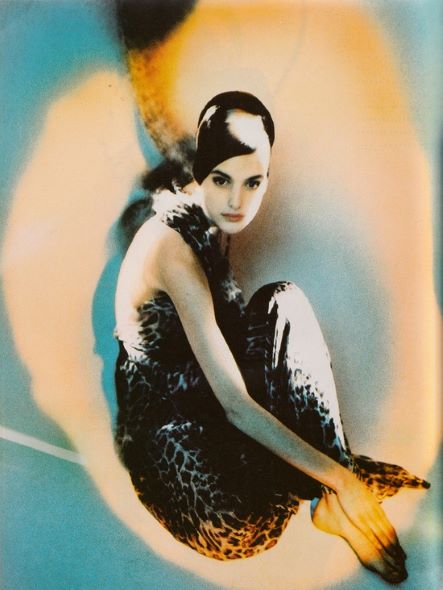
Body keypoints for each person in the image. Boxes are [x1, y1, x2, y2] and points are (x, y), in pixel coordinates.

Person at [114, 91, 429, 582]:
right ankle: (337, 491)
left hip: (247, 478)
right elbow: (235, 403)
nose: (238, 201)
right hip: (209, 500)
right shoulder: (170, 248)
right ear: (200, 172)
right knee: (282, 301)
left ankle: (333, 489)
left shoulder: (208, 229)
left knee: (279, 306)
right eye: (222, 180)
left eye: (253, 183)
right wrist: (346, 481)